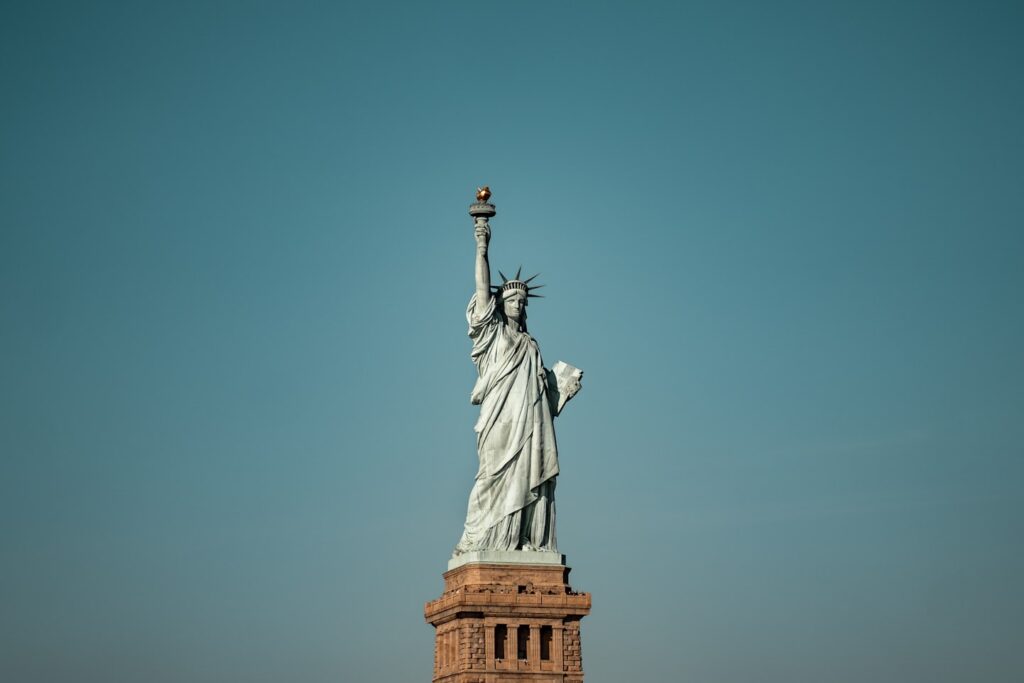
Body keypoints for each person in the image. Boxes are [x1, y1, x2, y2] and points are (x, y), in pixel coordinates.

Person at [452, 218, 578, 555]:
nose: (519, 306)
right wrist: (482, 247)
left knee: (530, 475)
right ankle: (483, 539)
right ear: (500, 305)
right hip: (500, 421)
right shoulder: (493, 337)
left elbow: (543, 399)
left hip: (532, 425)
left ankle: (522, 539)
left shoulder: (531, 345)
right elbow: (482, 291)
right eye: (512, 301)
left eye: (523, 303)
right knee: (490, 477)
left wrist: (560, 389)